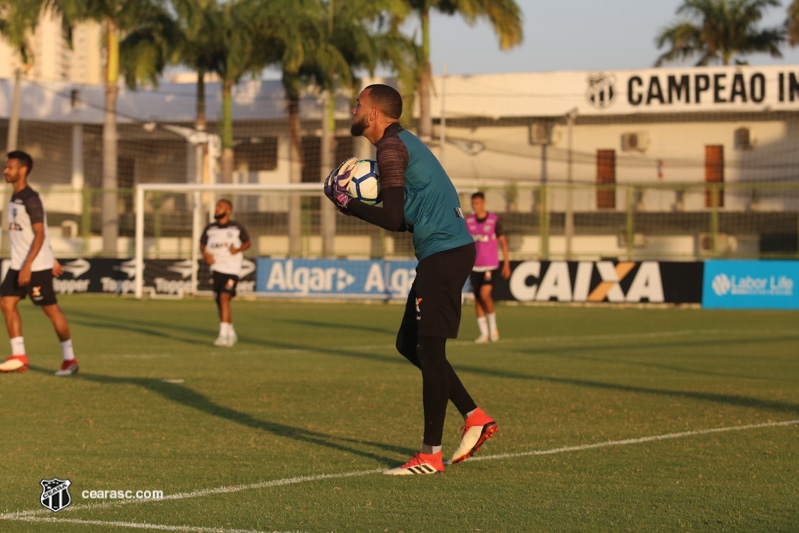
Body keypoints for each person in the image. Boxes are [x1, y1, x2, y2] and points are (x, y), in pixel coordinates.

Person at [324, 84, 498, 475]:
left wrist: (348, 203)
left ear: (373, 114)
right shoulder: (397, 144)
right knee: (409, 344)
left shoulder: (389, 146)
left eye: (358, 104)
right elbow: (403, 220)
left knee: (430, 352)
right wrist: (352, 204)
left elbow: (388, 219)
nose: (353, 110)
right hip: (443, 251)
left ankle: (430, 455)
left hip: (445, 253)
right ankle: (475, 416)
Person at [0, 151, 78, 376]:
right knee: (6, 302)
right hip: (19, 264)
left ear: (22, 170)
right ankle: (19, 357)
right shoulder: (15, 197)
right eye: (6, 167)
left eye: (10, 167)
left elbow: (40, 233)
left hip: (34, 267)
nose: (6, 170)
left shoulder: (31, 199)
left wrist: (32, 264)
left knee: (51, 310)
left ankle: (69, 360)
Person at [200, 199, 250, 347]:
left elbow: (247, 242)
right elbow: (202, 244)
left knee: (224, 297)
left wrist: (238, 249)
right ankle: (230, 331)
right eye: (216, 206)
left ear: (228, 211)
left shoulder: (236, 227)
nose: (217, 209)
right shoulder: (210, 228)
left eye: (220, 207)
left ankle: (222, 336)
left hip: (231, 269)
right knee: (220, 303)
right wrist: (205, 254)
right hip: (216, 268)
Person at [466, 192, 511, 343]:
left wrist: (506, 263)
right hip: (474, 266)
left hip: (490, 265)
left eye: (478, 203)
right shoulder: (469, 221)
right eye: (473, 203)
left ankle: (494, 329)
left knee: (485, 295)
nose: (475, 206)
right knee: (478, 299)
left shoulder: (493, 221)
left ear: (484, 203)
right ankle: (484, 334)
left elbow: (503, 242)